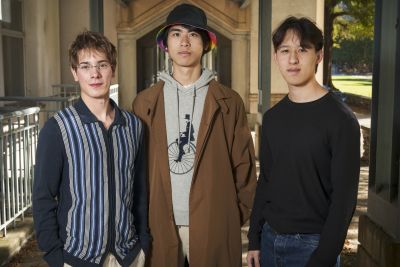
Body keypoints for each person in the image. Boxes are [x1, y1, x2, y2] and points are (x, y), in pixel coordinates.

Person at [132, 3, 257, 267]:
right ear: (165, 43)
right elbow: (136, 168)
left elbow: (244, 168)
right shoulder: (145, 103)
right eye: (176, 34)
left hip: (214, 222)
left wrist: (230, 216)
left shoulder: (228, 101)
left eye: (193, 34)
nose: (184, 42)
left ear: (206, 43)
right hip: (160, 224)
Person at [247, 16, 360, 267]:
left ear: (318, 56)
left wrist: (324, 257)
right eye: (284, 51)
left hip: (313, 246)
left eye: (302, 49)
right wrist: (254, 238)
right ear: (276, 57)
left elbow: (344, 199)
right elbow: (265, 182)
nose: (293, 59)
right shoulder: (273, 118)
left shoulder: (341, 120)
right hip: (269, 240)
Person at [33, 31, 149, 267]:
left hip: (128, 257)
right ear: (75, 72)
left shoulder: (134, 126)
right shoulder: (57, 129)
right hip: (77, 258)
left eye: (102, 65)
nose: (95, 74)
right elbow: (43, 198)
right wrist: (55, 258)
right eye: (85, 66)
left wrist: (144, 244)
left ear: (112, 70)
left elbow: (140, 192)